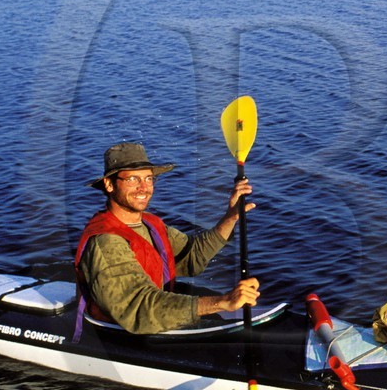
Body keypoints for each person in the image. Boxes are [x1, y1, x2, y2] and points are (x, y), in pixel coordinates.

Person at [74, 141, 260, 334]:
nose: (143, 188)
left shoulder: (150, 224)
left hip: (153, 318)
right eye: (132, 179)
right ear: (109, 184)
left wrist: (230, 218)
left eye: (148, 178)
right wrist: (222, 302)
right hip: (122, 334)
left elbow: (192, 257)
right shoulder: (105, 241)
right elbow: (138, 307)